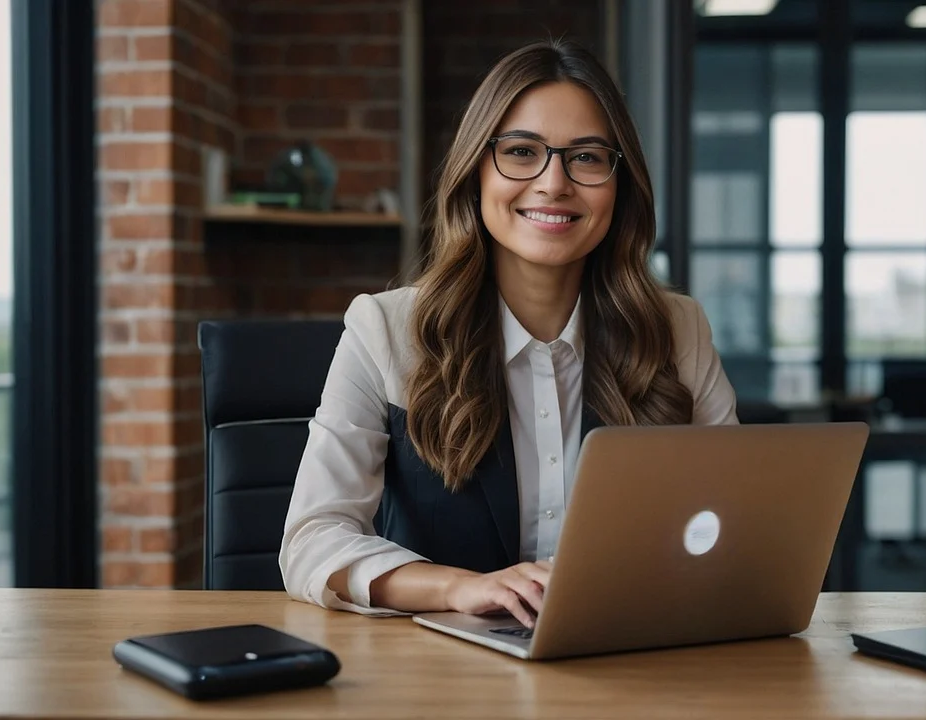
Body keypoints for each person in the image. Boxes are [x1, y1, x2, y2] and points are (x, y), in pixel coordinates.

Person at [279, 39, 738, 628]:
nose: (553, 184)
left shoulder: (678, 330)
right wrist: (457, 588)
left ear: (620, 184)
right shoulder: (385, 328)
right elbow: (311, 540)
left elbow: (731, 520)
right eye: (521, 152)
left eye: (589, 157)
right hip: (436, 677)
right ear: (476, 172)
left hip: (627, 660)